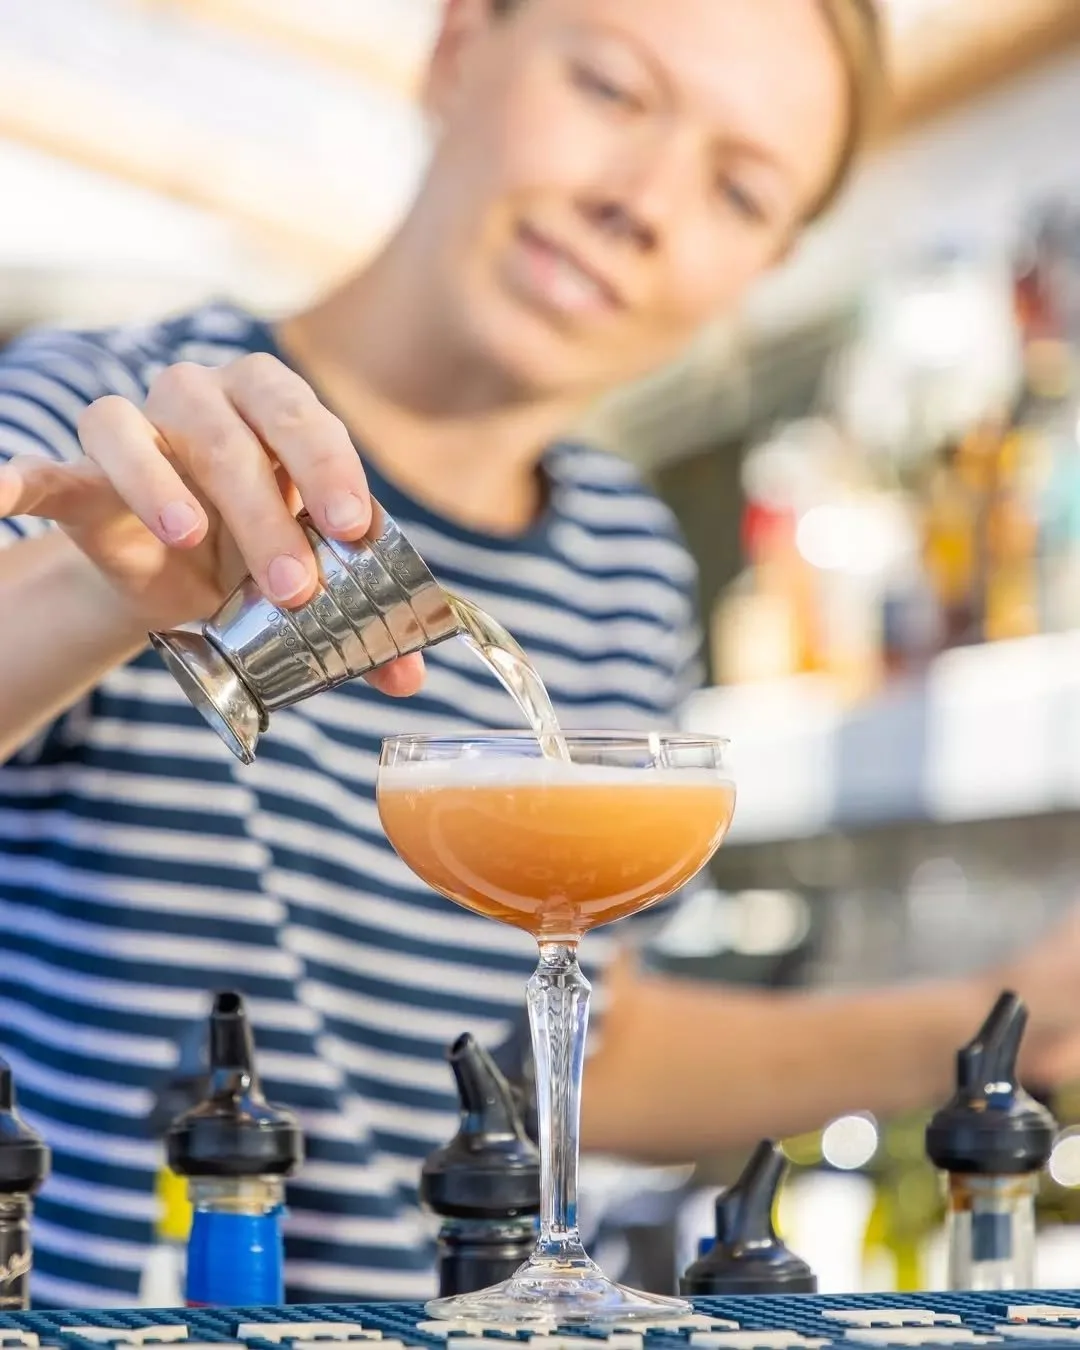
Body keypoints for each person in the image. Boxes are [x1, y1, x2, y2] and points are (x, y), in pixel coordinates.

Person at [2, 0, 1080, 1308]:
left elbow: (584, 1043)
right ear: (459, 46)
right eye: (615, 91)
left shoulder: (626, 567)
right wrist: (99, 581)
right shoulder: (101, 416)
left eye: (739, 190)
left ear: (765, 268)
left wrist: (998, 1014)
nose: (644, 202)